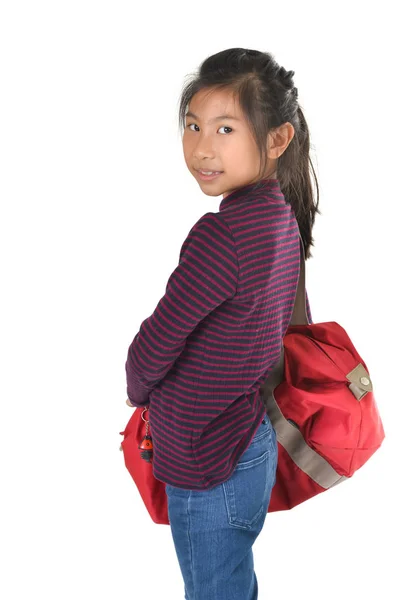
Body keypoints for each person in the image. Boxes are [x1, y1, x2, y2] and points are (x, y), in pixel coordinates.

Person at [125, 47, 319, 599]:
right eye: (193, 126)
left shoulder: (222, 236)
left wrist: (137, 389)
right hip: (247, 441)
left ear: (277, 140)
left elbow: (153, 348)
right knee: (231, 582)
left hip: (209, 459)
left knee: (215, 591)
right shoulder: (279, 213)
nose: (201, 148)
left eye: (225, 128)